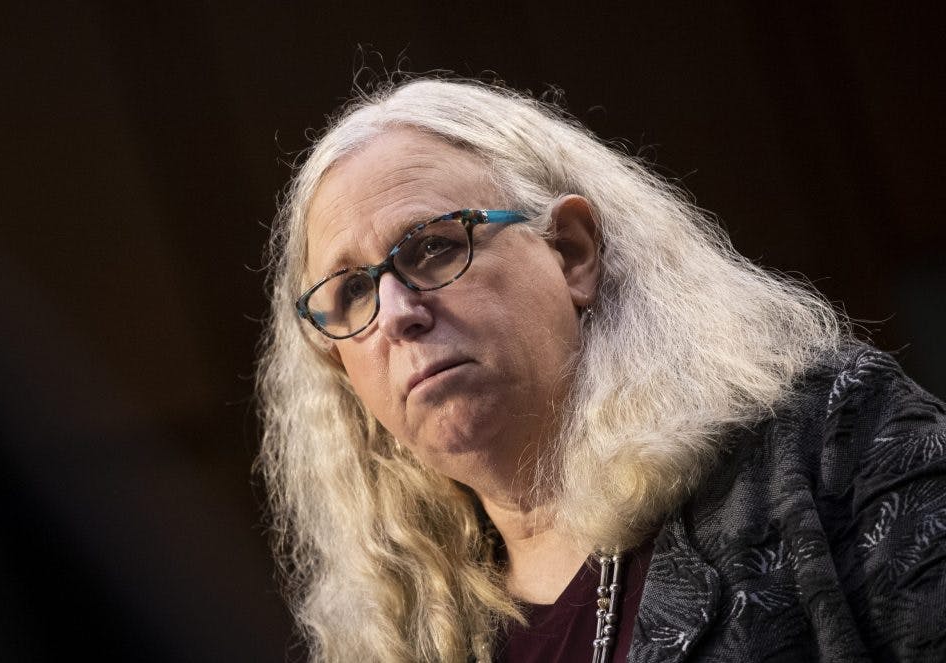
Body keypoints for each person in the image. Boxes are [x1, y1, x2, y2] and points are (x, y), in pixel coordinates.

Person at [257, 77, 946, 663]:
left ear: (571, 252)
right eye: (352, 290)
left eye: (433, 247)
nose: (395, 313)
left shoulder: (830, 440)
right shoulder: (396, 640)